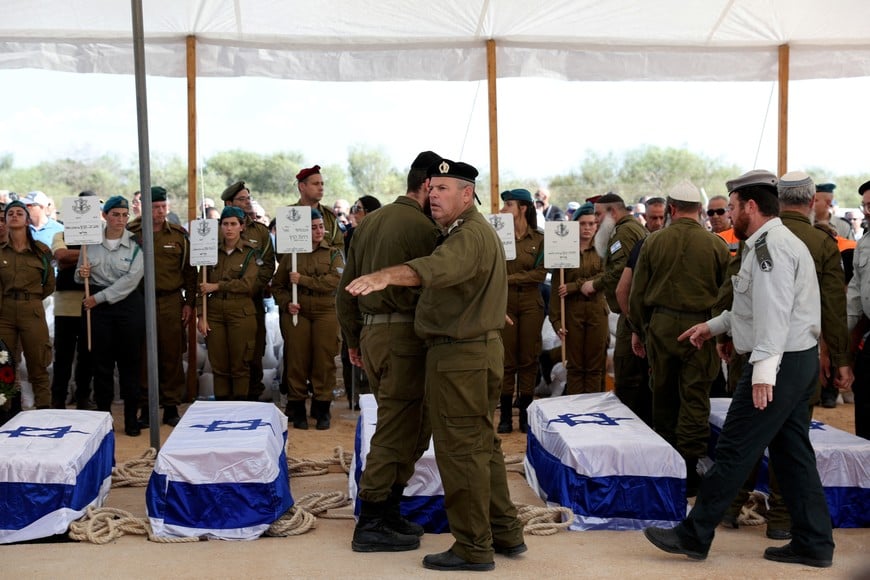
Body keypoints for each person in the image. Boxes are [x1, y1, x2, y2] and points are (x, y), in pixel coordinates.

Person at [644, 169, 836, 569]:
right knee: (792, 455)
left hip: (777, 362)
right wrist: (712, 326)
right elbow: (749, 308)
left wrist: (763, 373)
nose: (727, 213)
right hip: (793, 360)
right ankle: (815, 543)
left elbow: (774, 314)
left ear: (750, 206)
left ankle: (694, 535)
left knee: (733, 449)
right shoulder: (767, 243)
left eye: (731, 206)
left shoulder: (771, 249)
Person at [346, 159, 525, 573]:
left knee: (460, 451)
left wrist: (388, 276)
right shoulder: (465, 233)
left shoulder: (467, 235)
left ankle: (472, 547)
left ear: (467, 194)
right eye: (432, 187)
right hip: (470, 351)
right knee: (482, 445)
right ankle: (504, 530)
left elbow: (439, 269)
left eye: (444, 188)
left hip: (459, 357)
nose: (434, 195)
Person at [721, 170, 853, 538]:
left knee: (747, 434)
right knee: (790, 438)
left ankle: (731, 507)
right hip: (799, 357)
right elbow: (833, 307)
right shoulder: (820, 241)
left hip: (759, 355)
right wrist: (839, 358)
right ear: (811, 201)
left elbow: (734, 290)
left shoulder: (757, 239)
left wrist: (726, 332)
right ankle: (781, 519)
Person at [337, 150, 442, 553]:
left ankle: (388, 509)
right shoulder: (424, 227)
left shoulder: (369, 223)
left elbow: (344, 291)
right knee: (399, 428)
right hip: (405, 339)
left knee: (408, 426)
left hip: (373, 336)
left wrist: (352, 340)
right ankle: (372, 519)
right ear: (429, 186)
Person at [628, 181, 730, 496]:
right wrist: (719, 332)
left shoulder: (653, 242)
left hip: (660, 327)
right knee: (695, 396)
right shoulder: (716, 245)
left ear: (671, 209)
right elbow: (727, 294)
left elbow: (637, 294)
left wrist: (640, 330)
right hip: (701, 328)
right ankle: (689, 467)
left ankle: (668, 464)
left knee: (663, 393)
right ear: (699, 210)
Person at [128, 186, 197, 426]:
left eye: (163, 207)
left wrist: (189, 303)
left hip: (170, 301)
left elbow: (190, 272)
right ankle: (146, 407)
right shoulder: (131, 233)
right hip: (139, 300)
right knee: (143, 355)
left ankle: (170, 407)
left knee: (172, 354)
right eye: (155, 207)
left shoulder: (178, 235)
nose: (160, 211)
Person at [75, 196, 144, 436]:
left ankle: (131, 420)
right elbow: (78, 276)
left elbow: (131, 280)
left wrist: (99, 298)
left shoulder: (136, 246)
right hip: (97, 309)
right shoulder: (89, 243)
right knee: (101, 365)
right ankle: (104, 419)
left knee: (130, 365)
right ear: (104, 216)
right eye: (116, 214)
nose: (121, 219)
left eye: (125, 215)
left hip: (125, 307)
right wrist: (81, 273)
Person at [581, 192, 650, 423]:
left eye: (599, 215)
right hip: (633, 312)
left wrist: (595, 284)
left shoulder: (625, 231)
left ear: (613, 212)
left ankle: (630, 425)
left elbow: (621, 273)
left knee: (628, 373)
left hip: (631, 314)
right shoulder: (627, 229)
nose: (597, 220)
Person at [273, 208, 343, 430]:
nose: (318, 231)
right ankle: (297, 407)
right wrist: (286, 303)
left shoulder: (333, 254)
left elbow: (334, 282)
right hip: (298, 311)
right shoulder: (292, 255)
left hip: (326, 311)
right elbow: (278, 286)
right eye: (313, 227)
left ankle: (322, 407)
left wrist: (302, 280)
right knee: (296, 360)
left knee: (324, 360)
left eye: (321, 226)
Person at [196, 206, 259, 400]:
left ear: (241, 226)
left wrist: (217, 286)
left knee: (239, 364)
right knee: (219, 364)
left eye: (233, 224)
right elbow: (200, 284)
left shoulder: (250, 253)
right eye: (225, 224)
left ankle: (240, 408)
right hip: (214, 313)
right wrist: (201, 315)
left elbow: (247, 284)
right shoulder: (210, 251)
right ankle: (222, 406)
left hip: (240, 312)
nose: (229, 228)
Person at [221, 181, 276, 401]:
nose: (247, 203)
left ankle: (253, 395)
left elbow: (268, 265)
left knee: (252, 350)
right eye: (242, 199)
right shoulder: (218, 230)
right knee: (225, 353)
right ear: (229, 203)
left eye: (248, 198)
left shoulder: (260, 231)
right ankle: (227, 400)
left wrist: (251, 286)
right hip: (222, 302)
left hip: (251, 299)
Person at [497, 188, 545, 434]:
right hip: (504, 304)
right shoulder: (497, 237)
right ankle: (505, 416)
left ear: (523, 208)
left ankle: (525, 415)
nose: (503, 210)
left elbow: (540, 273)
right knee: (506, 360)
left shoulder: (539, 238)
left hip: (530, 303)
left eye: (508, 205)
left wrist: (510, 278)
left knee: (529, 358)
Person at [0, 200, 55, 410]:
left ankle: (43, 410)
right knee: (5, 364)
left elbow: (49, 283)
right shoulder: (1, 251)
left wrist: (31, 299)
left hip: (31, 309)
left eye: (19, 213)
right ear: (5, 220)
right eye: (10, 213)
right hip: (5, 311)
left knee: (38, 363)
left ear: (26, 219)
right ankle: (5, 414)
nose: (14, 215)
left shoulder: (41, 251)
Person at [549, 202, 608, 394]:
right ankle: (575, 411)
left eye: (592, 223)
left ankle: (593, 412)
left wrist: (575, 286)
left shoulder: (603, 248)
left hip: (597, 312)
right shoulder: (564, 249)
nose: (588, 228)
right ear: (575, 225)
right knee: (574, 366)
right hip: (572, 314)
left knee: (594, 366)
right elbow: (557, 289)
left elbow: (605, 277)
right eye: (583, 224)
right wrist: (556, 320)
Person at [50, 191, 97, 409]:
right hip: (66, 300)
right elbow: (60, 256)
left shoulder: (101, 235)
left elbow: (69, 259)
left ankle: (83, 397)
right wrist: (90, 256)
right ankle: (58, 397)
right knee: (63, 353)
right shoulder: (61, 234)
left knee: (88, 351)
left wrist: (73, 258)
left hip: (92, 299)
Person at [339, 194, 382, 411]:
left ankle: (371, 396)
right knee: (350, 349)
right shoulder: (350, 234)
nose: (354, 211)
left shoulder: (383, 234)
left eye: (359, 208)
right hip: (354, 296)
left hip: (375, 299)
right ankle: (354, 396)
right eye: (354, 207)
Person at [846, 178, 870, 440]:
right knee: (864, 417)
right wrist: (837, 342)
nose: (866, 212)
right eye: (864, 206)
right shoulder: (864, 244)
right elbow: (854, 298)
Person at [294, 165, 344, 251]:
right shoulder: (288, 215)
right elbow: (281, 255)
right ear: (302, 186)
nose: (321, 188)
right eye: (316, 184)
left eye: (322, 184)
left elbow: (339, 250)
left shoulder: (330, 216)